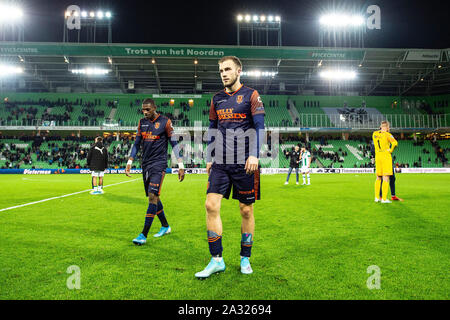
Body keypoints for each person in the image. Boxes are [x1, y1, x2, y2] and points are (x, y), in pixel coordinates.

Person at [195, 56, 265, 279]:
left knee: (246, 210)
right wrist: (208, 156)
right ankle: (216, 259)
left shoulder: (252, 95)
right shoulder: (217, 99)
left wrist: (254, 154)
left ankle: (245, 257)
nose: (223, 73)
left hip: (245, 163)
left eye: (227, 69)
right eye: (221, 71)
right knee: (210, 205)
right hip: (221, 162)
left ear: (238, 71)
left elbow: (260, 126)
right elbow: (212, 127)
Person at [126, 98, 185, 245]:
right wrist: (130, 161)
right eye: (143, 110)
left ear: (154, 108)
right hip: (145, 164)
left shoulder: (165, 122)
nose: (145, 112)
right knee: (155, 197)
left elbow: (174, 143)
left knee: (152, 196)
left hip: (159, 164)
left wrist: (181, 165)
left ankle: (143, 235)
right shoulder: (142, 122)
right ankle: (165, 226)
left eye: (148, 109)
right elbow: (136, 143)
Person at [372, 121, 398, 203]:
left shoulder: (374, 134)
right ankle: (384, 199)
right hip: (385, 155)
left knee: (378, 177)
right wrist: (390, 150)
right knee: (386, 177)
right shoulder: (388, 134)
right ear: (387, 127)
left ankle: (376, 198)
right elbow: (395, 143)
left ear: (380, 126)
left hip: (378, 156)